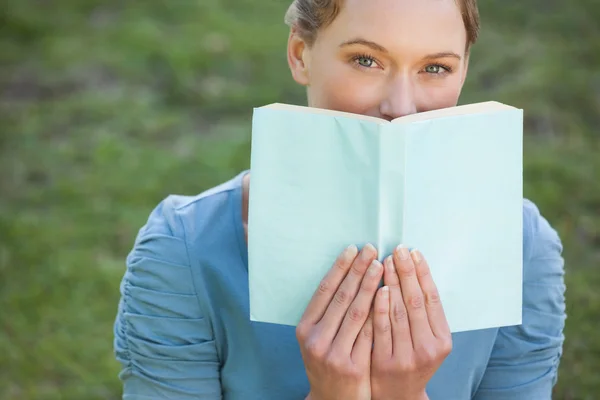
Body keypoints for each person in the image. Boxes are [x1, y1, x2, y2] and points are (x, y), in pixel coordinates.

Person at [113, 0, 567, 398]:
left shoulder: (523, 247)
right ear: (300, 54)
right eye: (366, 60)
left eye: (435, 68)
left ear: (464, 69)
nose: (401, 106)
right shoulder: (185, 250)